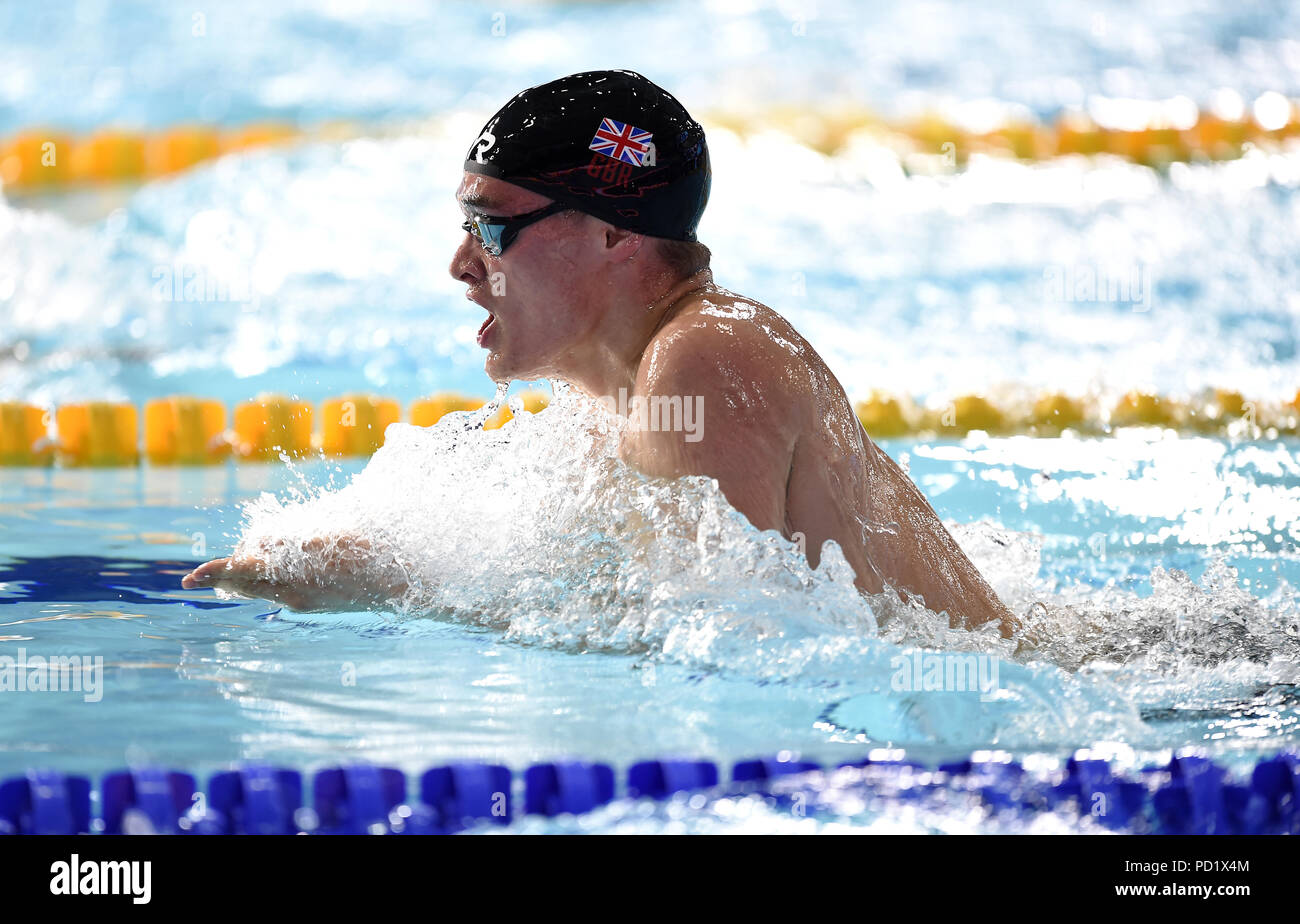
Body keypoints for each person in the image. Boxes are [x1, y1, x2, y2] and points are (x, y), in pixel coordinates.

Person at [183, 70, 1017, 637]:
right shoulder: (616, 398)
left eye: (492, 227)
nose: (463, 264)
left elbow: (718, 645)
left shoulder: (704, 360)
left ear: (616, 231)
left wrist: (400, 594)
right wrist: (378, 562)